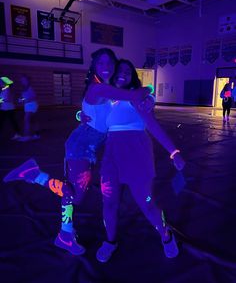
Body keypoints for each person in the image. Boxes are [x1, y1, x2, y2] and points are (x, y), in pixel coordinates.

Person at [3, 49, 150, 255]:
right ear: (94, 68)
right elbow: (134, 94)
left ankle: (66, 234)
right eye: (101, 63)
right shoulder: (98, 88)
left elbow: (98, 112)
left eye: (110, 62)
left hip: (88, 147)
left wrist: (80, 113)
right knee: (76, 195)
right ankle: (34, 175)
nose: (106, 66)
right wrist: (148, 90)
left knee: (73, 192)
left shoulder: (107, 90)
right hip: (80, 147)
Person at [94, 59, 185, 262]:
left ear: (132, 77)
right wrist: (81, 116)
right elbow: (93, 121)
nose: (123, 74)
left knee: (147, 203)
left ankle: (165, 234)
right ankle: (110, 241)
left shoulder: (137, 98)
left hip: (138, 157)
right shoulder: (105, 98)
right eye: (120, 70)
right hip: (111, 159)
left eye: (128, 71)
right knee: (108, 203)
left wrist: (174, 151)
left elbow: (153, 126)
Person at [18, 75, 40, 141]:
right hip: (28, 106)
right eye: (21, 80)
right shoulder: (24, 88)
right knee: (33, 120)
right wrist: (21, 99)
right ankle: (37, 135)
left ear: (27, 81)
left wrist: (24, 100)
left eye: (23, 80)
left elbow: (34, 97)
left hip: (31, 105)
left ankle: (26, 136)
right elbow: (24, 97)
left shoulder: (30, 88)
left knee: (26, 120)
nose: (22, 81)